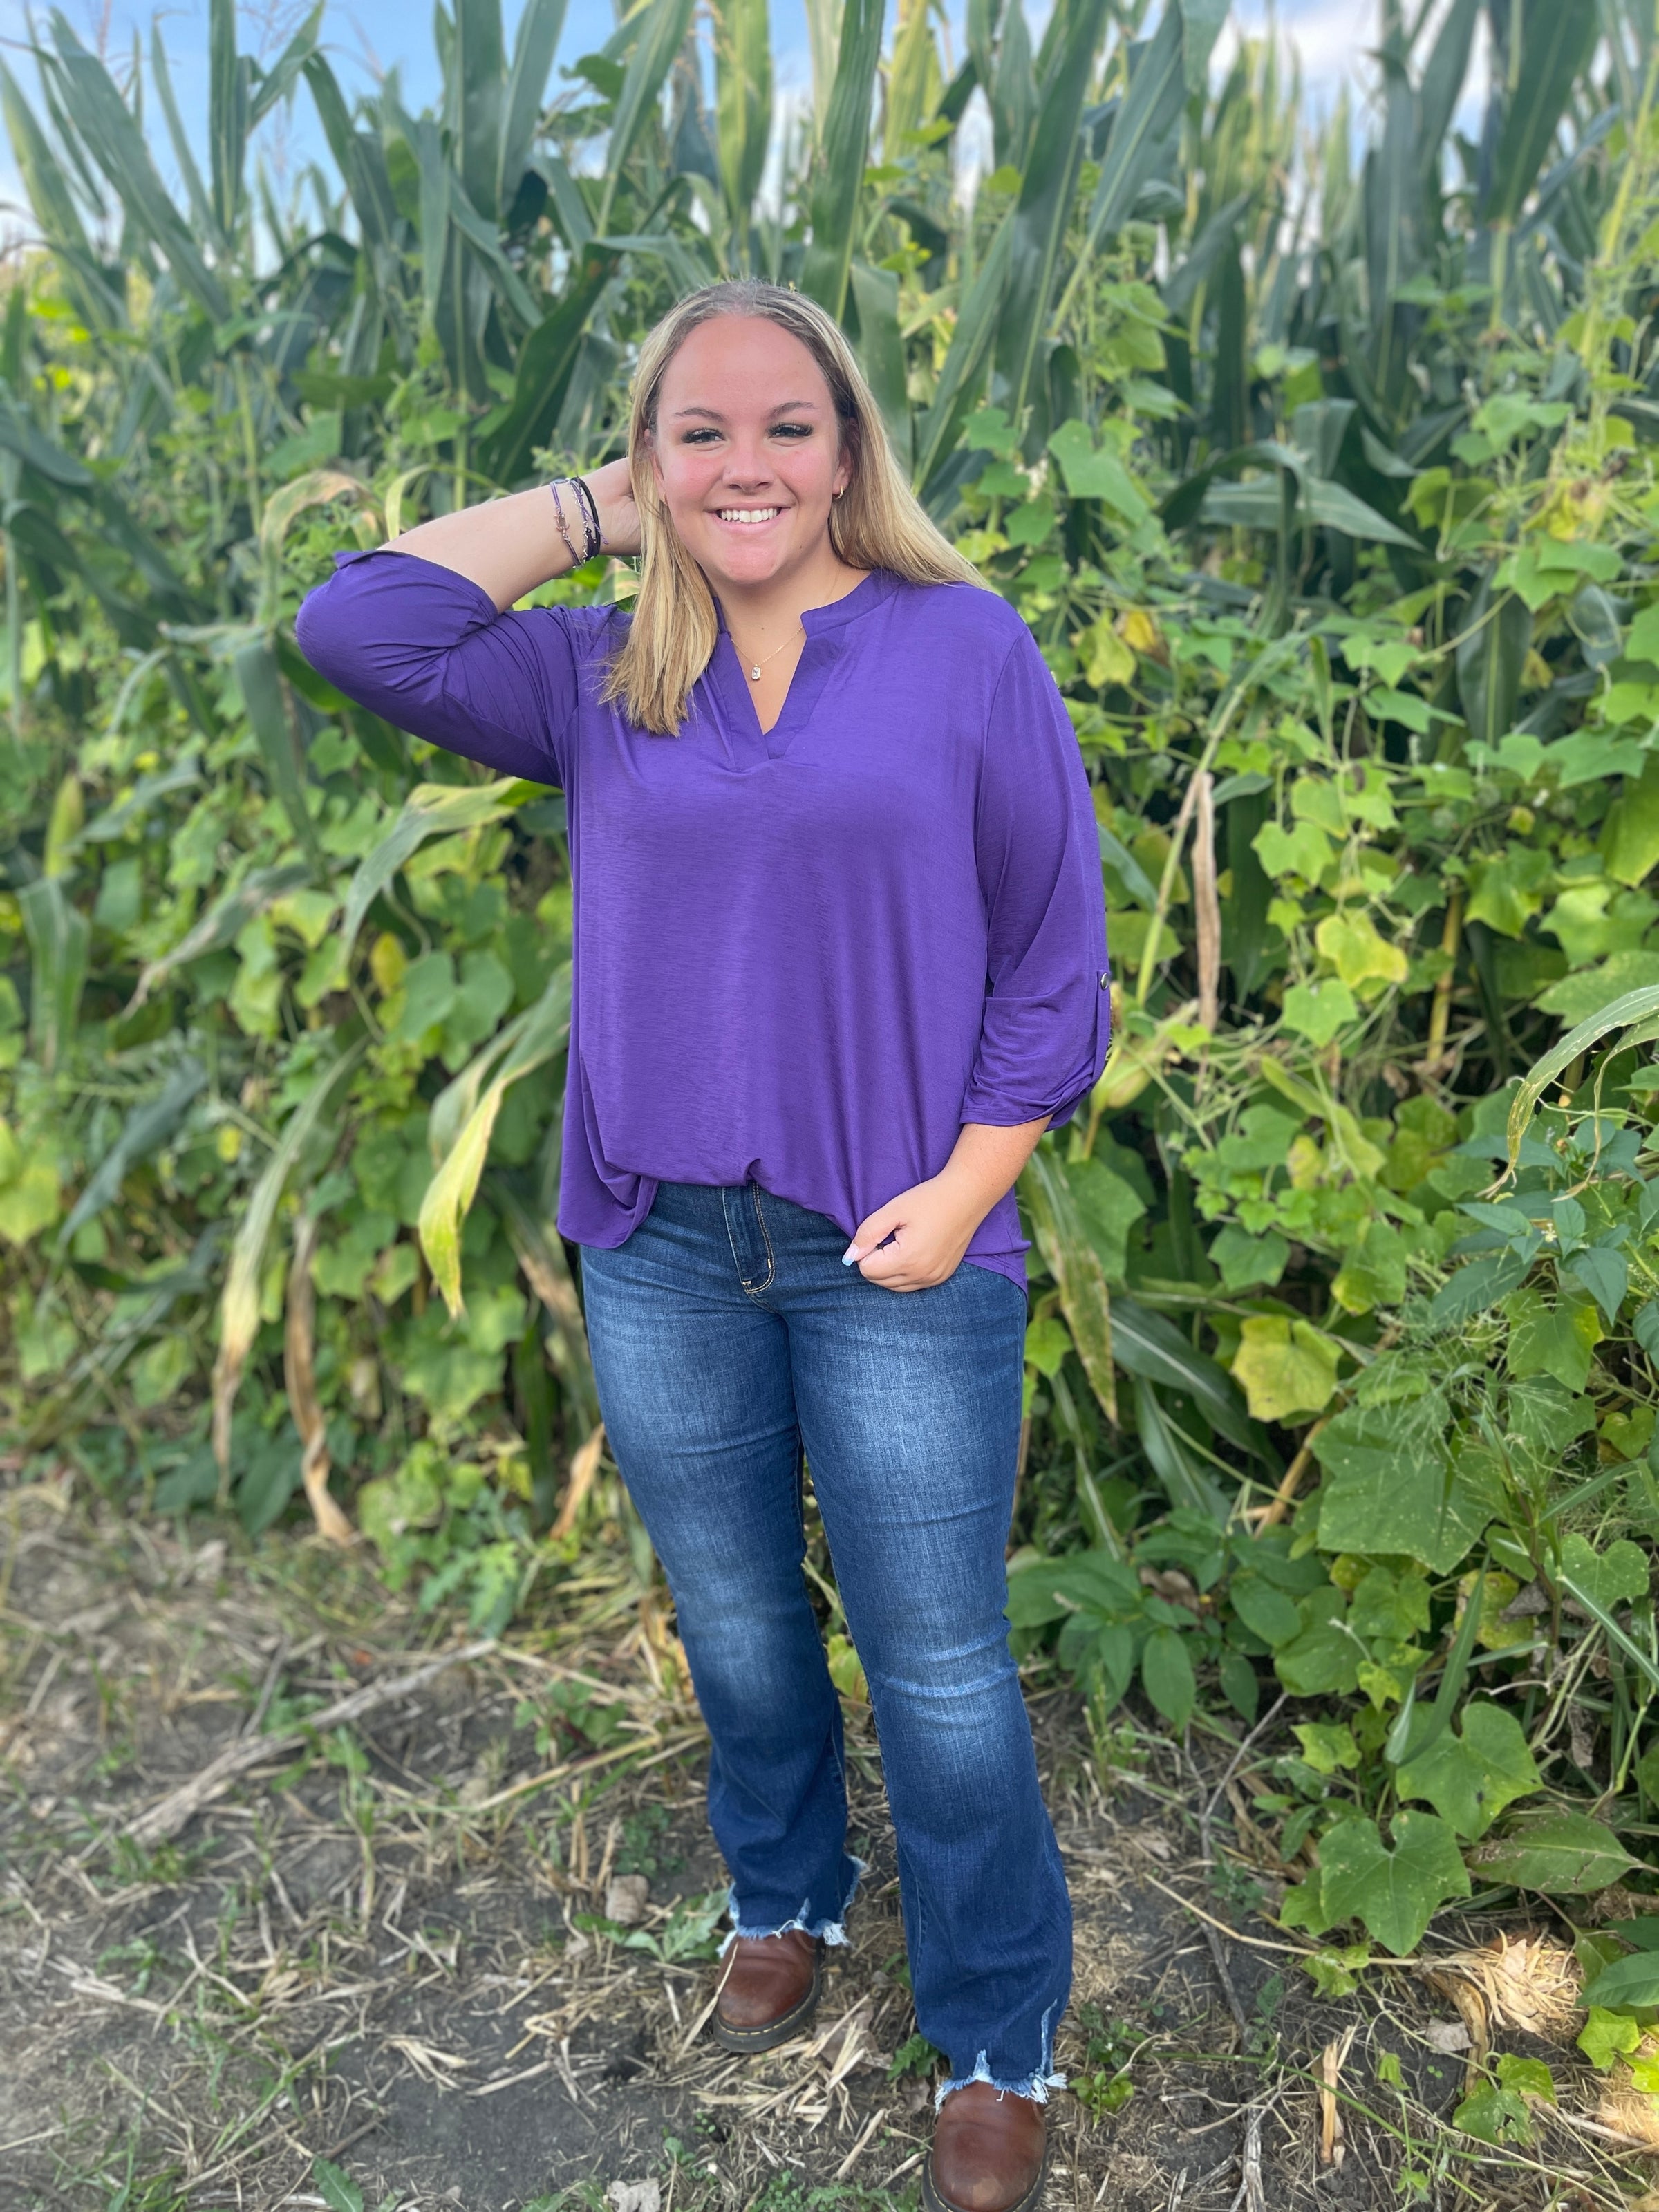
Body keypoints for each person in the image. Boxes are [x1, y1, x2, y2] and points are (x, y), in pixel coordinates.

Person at [296, 277, 1110, 2212]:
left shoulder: (961, 647)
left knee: (937, 1664)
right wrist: (601, 510)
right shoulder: (599, 671)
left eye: (787, 428)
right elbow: (357, 623)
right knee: (736, 1616)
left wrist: (970, 1189)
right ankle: (787, 1893)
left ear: (850, 451)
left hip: (898, 1241)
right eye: (702, 432)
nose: (750, 464)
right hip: (660, 1238)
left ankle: (997, 2030)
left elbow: (1052, 958)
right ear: (650, 456)